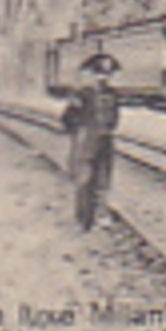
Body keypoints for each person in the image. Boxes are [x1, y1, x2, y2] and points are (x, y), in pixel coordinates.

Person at [62, 52, 121, 230]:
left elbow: (115, 118)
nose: (104, 78)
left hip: (106, 141)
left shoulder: (113, 94)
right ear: (93, 75)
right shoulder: (82, 94)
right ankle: (83, 219)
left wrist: (107, 130)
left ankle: (101, 214)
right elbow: (67, 118)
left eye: (108, 74)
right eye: (100, 74)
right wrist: (78, 134)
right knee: (85, 180)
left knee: (104, 180)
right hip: (86, 141)